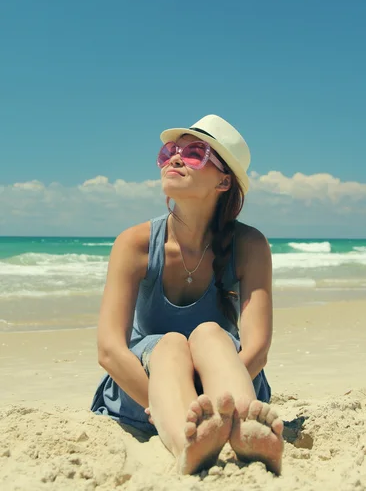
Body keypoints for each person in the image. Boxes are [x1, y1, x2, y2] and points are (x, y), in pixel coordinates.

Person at [91, 114, 283, 475]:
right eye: (170, 152)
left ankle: (242, 429)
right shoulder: (135, 244)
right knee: (171, 344)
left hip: (228, 385)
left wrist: (214, 403)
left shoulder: (250, 245)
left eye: (195, 153)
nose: (175, 159)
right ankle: (189, 444)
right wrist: (167, 405)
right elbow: (109, 351)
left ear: (224, 181)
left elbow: (257, 349)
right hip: (144, 390)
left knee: (210, 335)